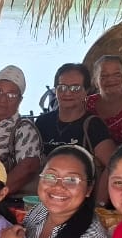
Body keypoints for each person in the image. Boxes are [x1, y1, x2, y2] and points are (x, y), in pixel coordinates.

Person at [36, 63, 115, 204]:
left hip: (80, 202)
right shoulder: (43, 122)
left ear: (86, 91)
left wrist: (98, 204)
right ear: (55, 90)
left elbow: (113, 165)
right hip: (46, 198)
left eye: (75, 88)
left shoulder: (93, 125)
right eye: (62, 87)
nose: (67, 93)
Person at [0, 65, 43, 196]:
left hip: (1, 200)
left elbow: (27, 168)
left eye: (11, 95)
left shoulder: (23, 128)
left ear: (20, 100)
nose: (3, 99)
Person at [89, 54, 122, 144]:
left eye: (117, 74)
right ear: (95, 81)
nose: (111, 79)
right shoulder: (86, 104)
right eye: (104, 76)